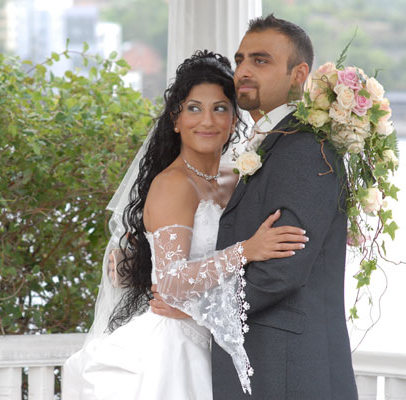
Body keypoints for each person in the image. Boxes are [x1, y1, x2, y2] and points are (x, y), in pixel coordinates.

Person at [62, 50, 308, 399]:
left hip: (214, 338)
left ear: (234, 120)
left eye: (219, 108)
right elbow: (171, 283)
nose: (207, 120)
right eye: (194, 108)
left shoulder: (235, 179)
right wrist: (246, 251)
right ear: (175, 120)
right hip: (173, 350)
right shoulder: (173, 185)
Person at [208, 14, 358, 399]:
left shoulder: (307, 148)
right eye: (240, 59)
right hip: (263, 365)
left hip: (287, 371)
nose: (243, 70)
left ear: (298, 74)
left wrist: (202, 308)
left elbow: (280, 272)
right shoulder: (273, 143)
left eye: (260, 60)